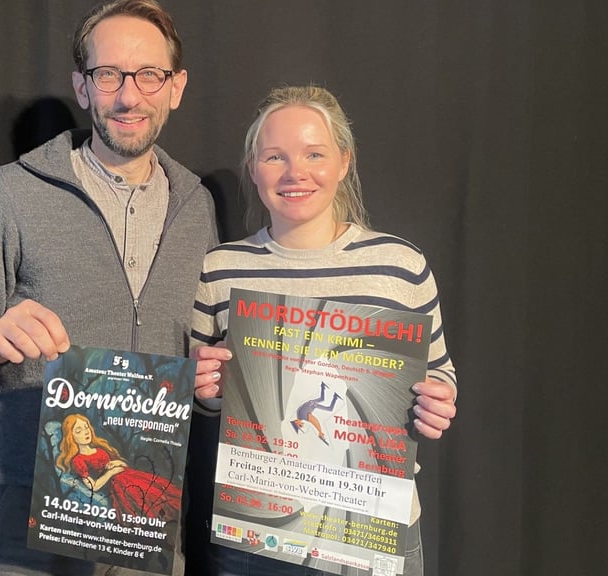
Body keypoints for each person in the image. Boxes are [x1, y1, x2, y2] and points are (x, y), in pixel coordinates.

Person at [0, 1, 218, 574]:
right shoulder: (13, 193)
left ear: (175, 87)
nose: (129, 96)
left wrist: (210, 384)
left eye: (149, 74)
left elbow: (201, 352)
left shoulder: (196, 206)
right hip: (27, 519)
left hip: (142, 514)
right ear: (83, 86)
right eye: (109, 75)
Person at [189, 85, 458, 575]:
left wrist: (437, 402)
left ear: (344, 162)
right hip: (255, 536)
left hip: (370, 530)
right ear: (253, 167)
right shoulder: (220, 269)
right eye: (275, 156)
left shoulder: (400, 266)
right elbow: (204, 403)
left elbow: (440, 373)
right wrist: (205, 390)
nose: (296, 173)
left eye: (315, 154)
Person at [57, 414, 182, 521]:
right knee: (147, 501)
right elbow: (93, 486)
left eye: (86, 427)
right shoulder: (78, 460)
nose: (85, 432)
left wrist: (117, 463)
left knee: (159, 492)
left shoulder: (99, 449)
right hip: (119, 485)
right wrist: (111, 473)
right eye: (79, 430)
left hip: (130, 475)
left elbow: (123, 465)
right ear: (70, 436)